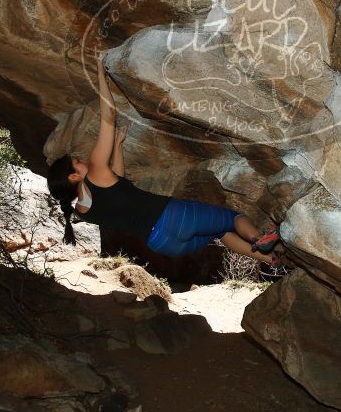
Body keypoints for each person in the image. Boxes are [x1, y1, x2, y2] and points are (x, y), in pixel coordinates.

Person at [46, 55, 283, 265]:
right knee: (233, 218)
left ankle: (268, 258)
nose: (83, 160)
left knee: (219, 232)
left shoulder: (81, 211)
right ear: (73, 176)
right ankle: (258, 240)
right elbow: (109, 117)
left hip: (163, 244)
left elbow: (119, 183)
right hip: (173, 218)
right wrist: (100, 73)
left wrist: (118, 147)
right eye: (77, 162)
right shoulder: (96, 172)